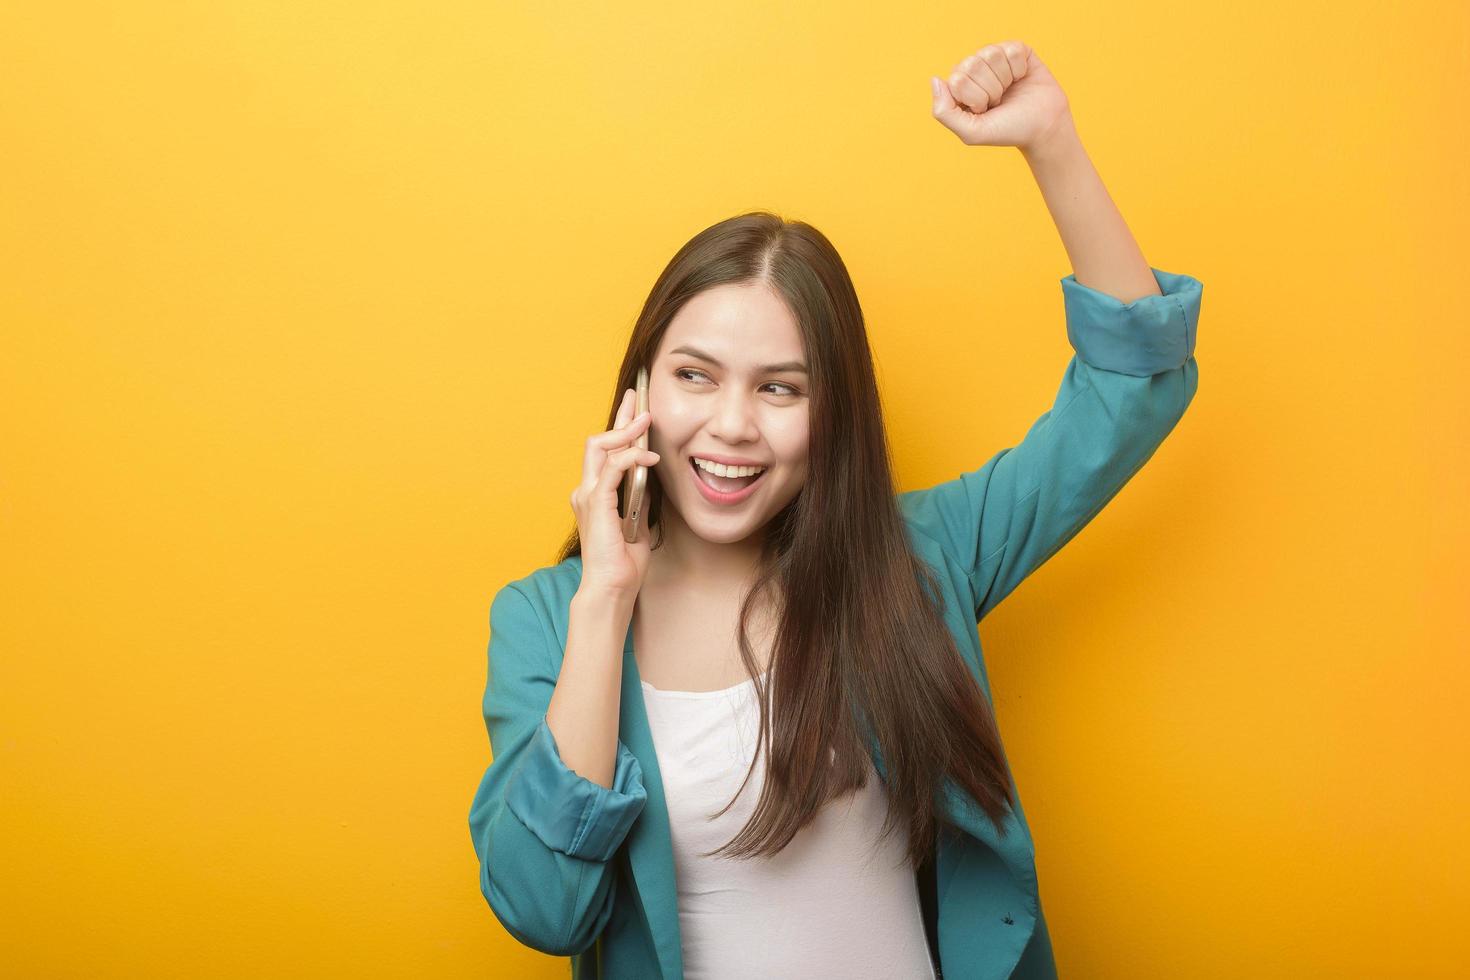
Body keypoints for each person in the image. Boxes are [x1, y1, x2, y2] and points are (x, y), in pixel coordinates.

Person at [469, 39, 1203, 980]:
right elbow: (542, 908)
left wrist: (1050, 141)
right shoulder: (547, 621)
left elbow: (1132, 389)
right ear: (639, 389)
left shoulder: (916, 560)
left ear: (833, 415)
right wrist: (607, 597)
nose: (732, 426)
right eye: (696, 376)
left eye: (782, 389)